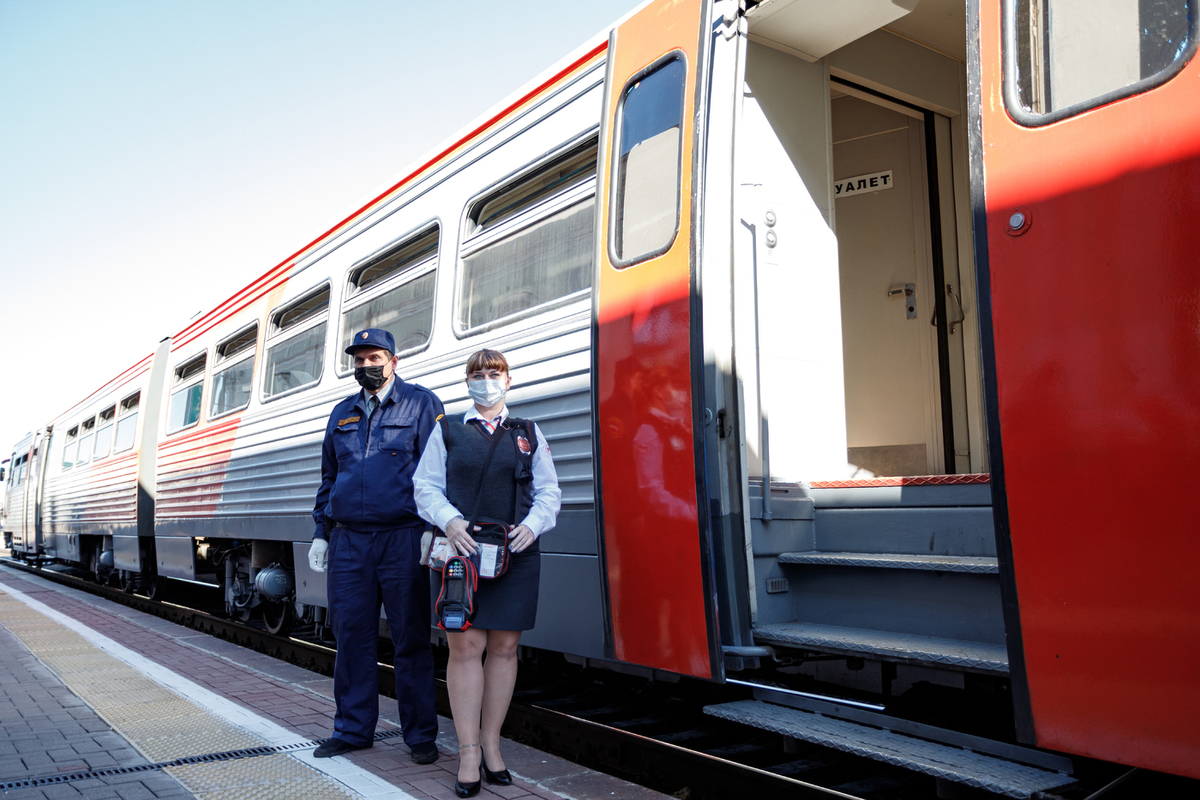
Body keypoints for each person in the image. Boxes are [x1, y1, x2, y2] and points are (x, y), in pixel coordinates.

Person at [413, 349, 561, 798]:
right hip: (462, 554)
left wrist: (533, 527)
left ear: (509, 381)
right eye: (477, 374)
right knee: (466, 648)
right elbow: (425, 486)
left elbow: (549, 491)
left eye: (493, 373)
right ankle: (469, 751)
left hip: (514, 552)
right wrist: (450, 521)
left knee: (504, 646)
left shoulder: (528, 433)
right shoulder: (447, 430)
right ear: (467, 382)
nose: (485, 380)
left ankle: (493, 744)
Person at [308, 328, 443, 764]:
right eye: (359, 359)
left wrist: (431, 528)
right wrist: (320, 531)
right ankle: (351, 730)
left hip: (403, 538)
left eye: (374, 357)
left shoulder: (422, 404)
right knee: (351, 638)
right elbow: (329, 477)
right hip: (349, 542)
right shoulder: (341, 413)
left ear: (394, 360)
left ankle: (420, 734)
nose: (366, 366)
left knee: (410, 638)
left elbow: (438, 472)